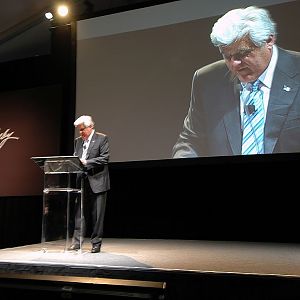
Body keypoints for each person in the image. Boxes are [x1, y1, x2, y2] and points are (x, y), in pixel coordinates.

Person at [172, 6, 300, 158]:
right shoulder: (207, 79)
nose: (234, 64)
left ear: (268, 40)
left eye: (243, 53)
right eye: (227, 56)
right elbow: (190, 141)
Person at [68, 115, 110, 253]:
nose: (80, 133)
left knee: (97, 215)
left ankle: (96, 243)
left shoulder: (101, 138)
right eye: (79, 130)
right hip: (82, 181)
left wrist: (87, 162)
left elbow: (104, 158)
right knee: (79, 214)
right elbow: (75, 158)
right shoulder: (78, 141)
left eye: (82, 130)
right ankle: (77, 242)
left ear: (90, 127)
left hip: (97, 181)